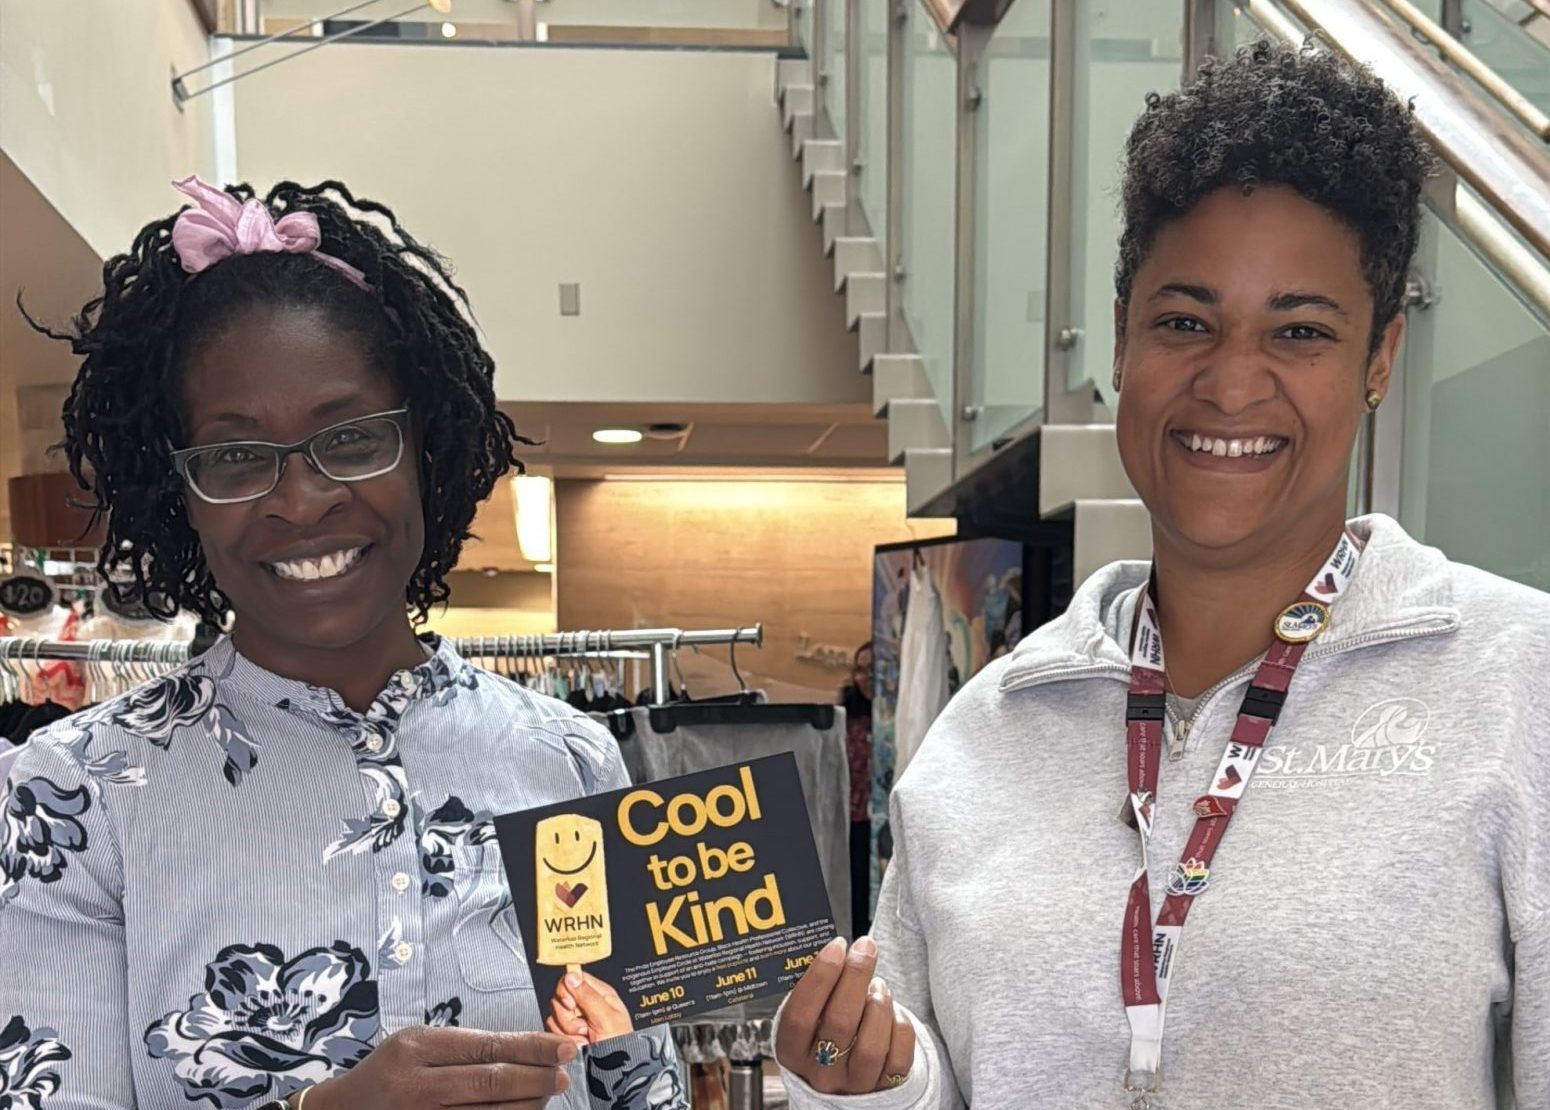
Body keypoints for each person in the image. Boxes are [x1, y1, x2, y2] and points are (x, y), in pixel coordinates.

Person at [771, 41, 1549, 1107]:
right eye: (1184, 323)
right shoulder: (986, 733)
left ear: (1379, 358)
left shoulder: (1514, 688)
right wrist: (877, 1083)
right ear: (1121, 339)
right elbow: (946, 1082)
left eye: (1299, 331)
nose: (1230, 384)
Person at [0, 176, 683, 1109]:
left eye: (352, 439)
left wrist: (830, 1075)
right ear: (180, 494)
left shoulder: (569, 763)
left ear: (422, 448)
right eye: (236, 456)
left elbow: (639, 1088)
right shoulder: (72, 799)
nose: (301, 500)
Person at [840, 642, 875, 938]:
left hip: (883, 818)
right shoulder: (846, 716)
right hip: (854, 818)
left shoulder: (896, 718)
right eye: (860, 670)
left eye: (873, 669)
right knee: (856, 892)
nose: (865, 678)